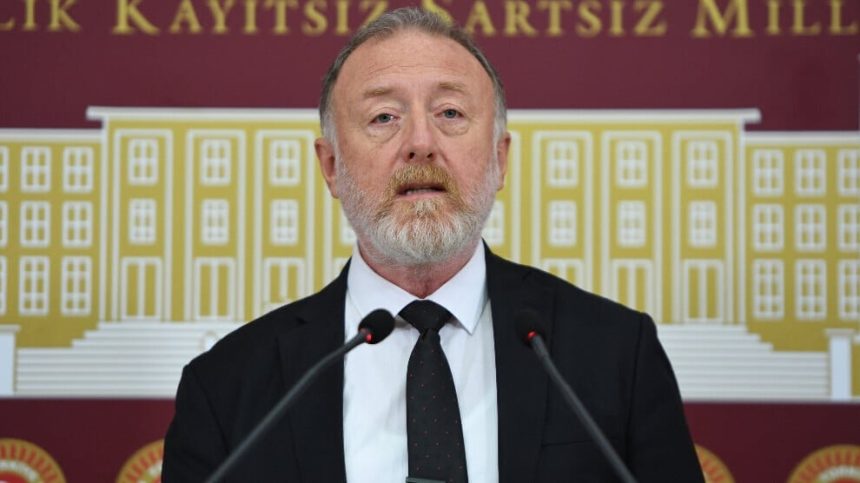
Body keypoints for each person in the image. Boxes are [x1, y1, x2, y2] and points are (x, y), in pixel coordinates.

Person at [163, 7, 704, 482]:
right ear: (330, 166)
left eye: (450, 114)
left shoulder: (616, 355)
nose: (420, 143)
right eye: (383, 117)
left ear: (500, 159)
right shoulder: (227, 387)